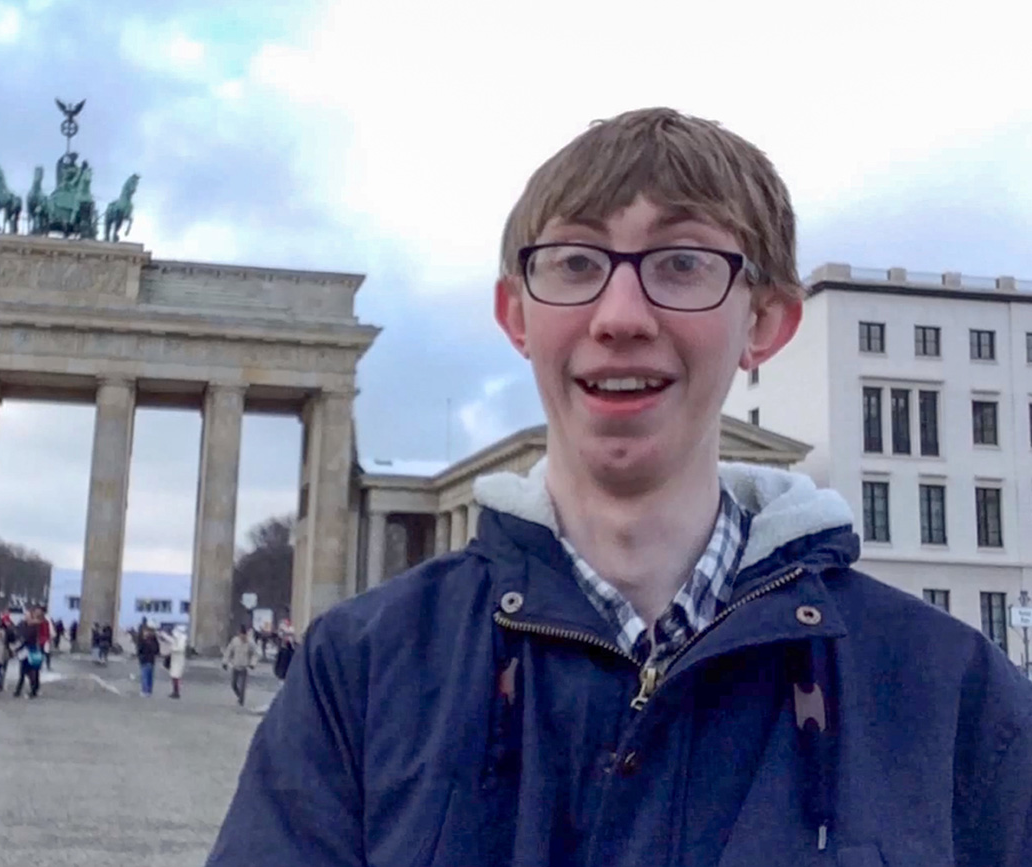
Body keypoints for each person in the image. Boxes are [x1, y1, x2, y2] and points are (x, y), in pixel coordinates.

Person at [206, 107, 1032, 866]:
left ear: (767, 321)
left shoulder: (954, 695)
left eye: (681, 263)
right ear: (516, 315)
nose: (621, 314)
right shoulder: (359, 671)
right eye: (575, 262)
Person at [219, 625, 256, 707]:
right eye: (241, 635)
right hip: (235, 666)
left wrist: (252, 664)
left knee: (242, 686)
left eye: (244, 635)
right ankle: (239, 695)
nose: (242, 637)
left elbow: (254, 654)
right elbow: (229, 651)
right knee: (233, 684)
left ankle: (241, 700)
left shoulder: (250, 643)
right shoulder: (235, 641)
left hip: (244, 667)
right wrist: (225, 662)